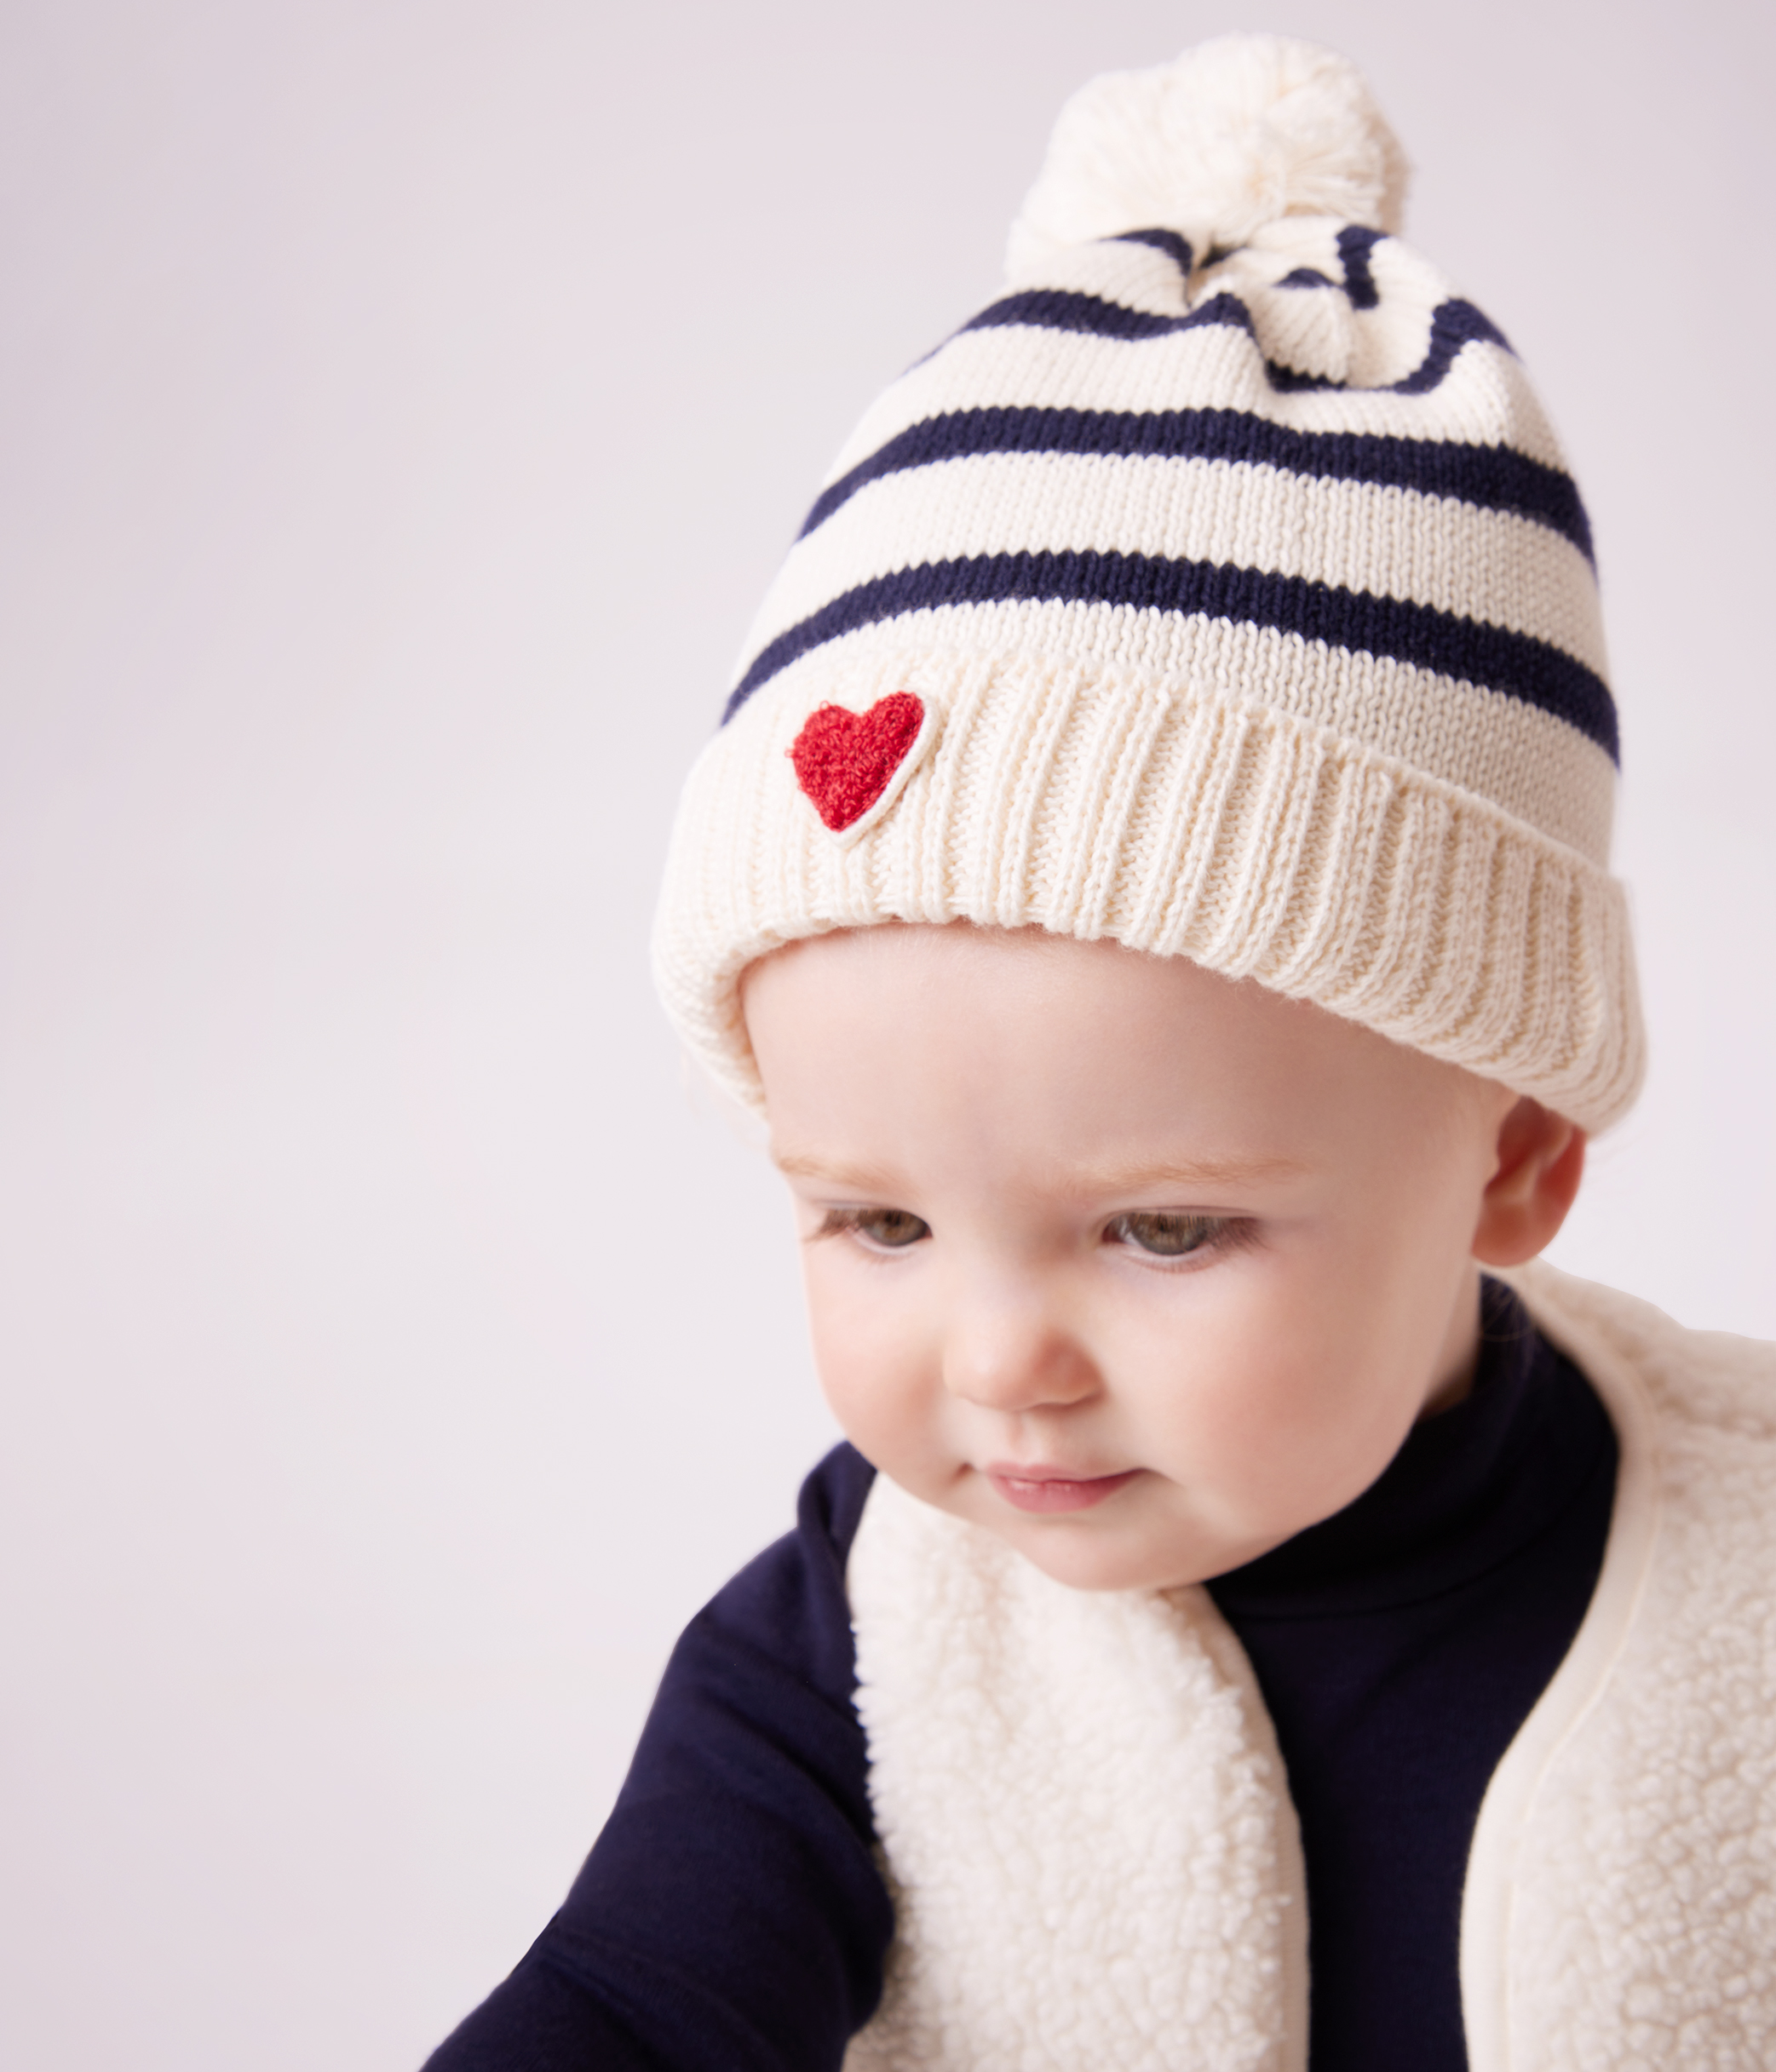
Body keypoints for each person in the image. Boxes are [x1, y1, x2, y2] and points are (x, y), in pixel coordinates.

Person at [423, 32, 1776, 2071]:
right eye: (874, 1216)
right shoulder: (864, 1647)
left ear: (1508, 1150)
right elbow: (624, 2011)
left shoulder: (1737, 1565)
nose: (995, 1364)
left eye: (1156, 1228)